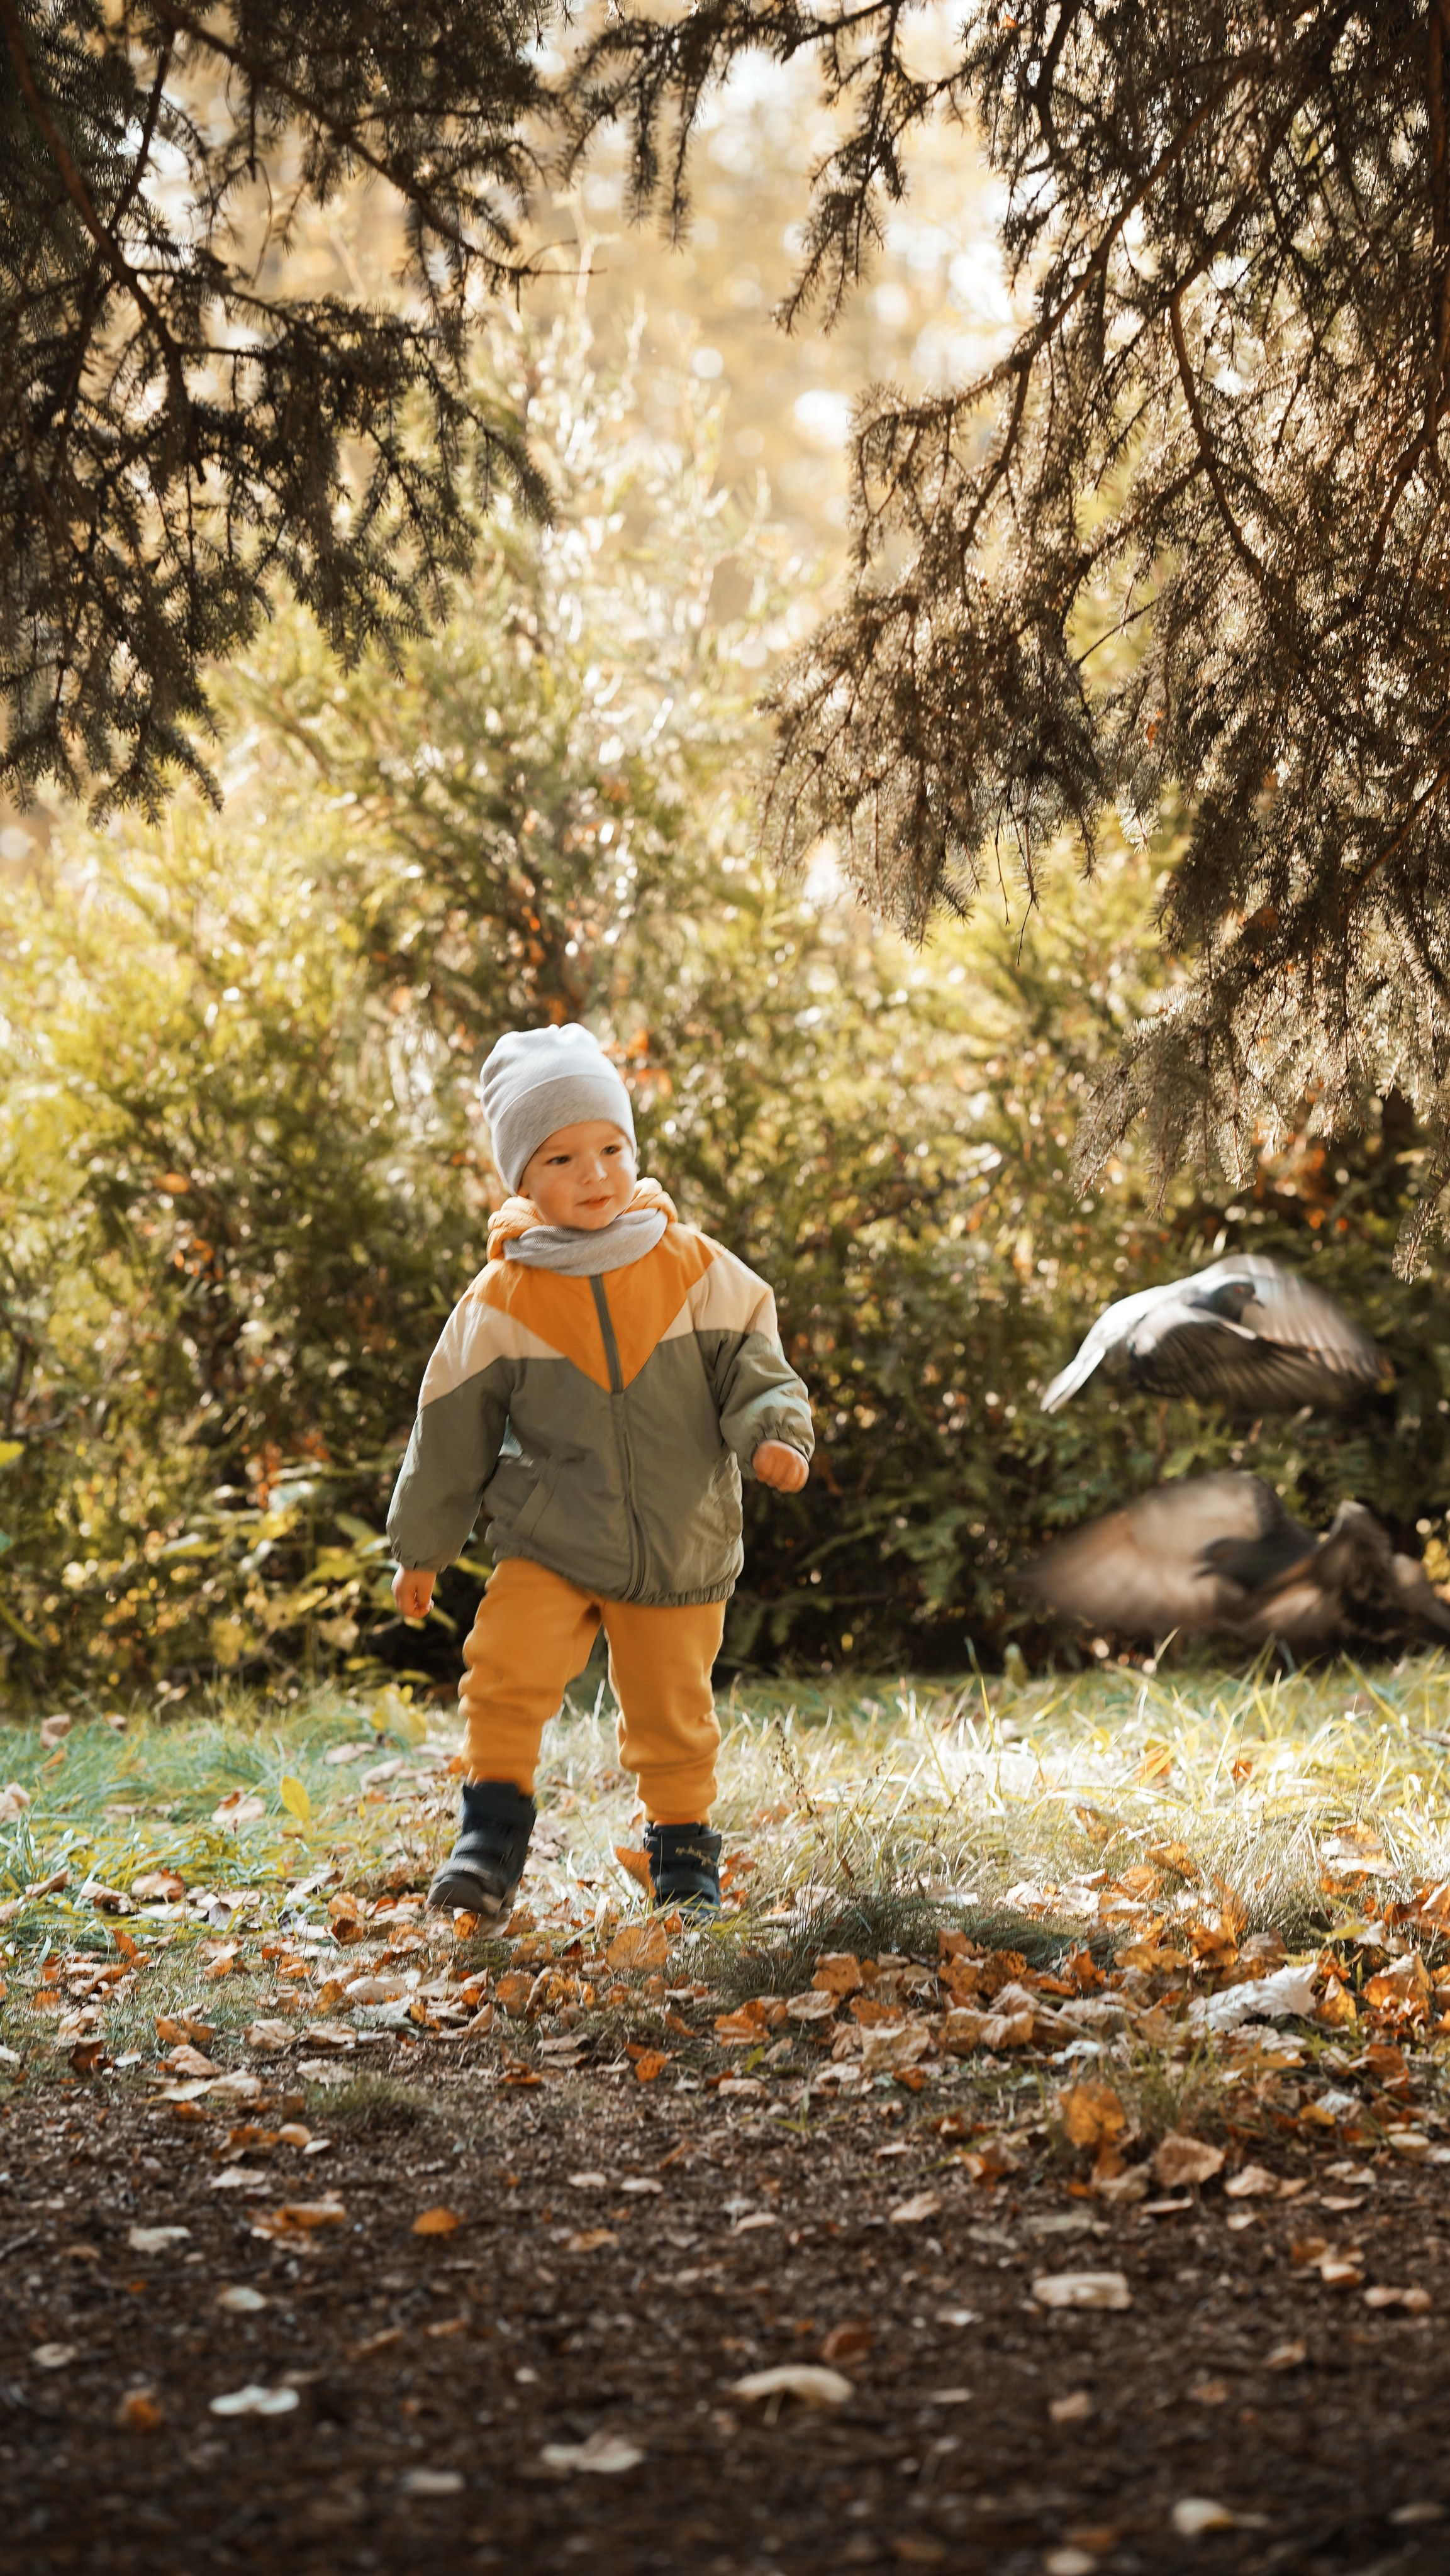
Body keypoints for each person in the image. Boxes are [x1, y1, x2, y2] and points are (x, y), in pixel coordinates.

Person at [387, 1021, 813, 1919]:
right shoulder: (502, 1296)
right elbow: (450, 1427)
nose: (595, 1174)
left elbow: (756, 1362)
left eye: (611, 1148)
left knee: (671, 1710)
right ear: (521, 1178)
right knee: (503, 1667)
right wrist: (421, 1548)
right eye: (562, 1158)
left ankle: (684, 1852)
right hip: (551, 1534)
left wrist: (773, 1432)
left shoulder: (691, 1267)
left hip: (678, 1536)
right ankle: (489, 1837)